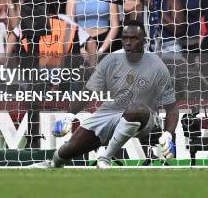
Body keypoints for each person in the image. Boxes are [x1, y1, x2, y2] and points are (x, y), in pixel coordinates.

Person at [33, 20, 178, 168]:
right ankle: (52, 164)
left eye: (133, 38)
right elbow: (88, 91)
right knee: (67, 151)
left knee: (135, 108)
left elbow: (172, 108)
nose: (128, 42)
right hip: (112, 112)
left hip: (145, 118)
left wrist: (168, 134)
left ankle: (105, 157)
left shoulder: (157, 66)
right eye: (125, 38)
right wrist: (69, 116)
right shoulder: (112, 60)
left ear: (144, 41)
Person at [66, 0, 119, 66]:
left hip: (105, 40)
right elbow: (70, 26)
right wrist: (80, 47)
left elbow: (115, 26)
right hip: (80, 41)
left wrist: (101, 50)